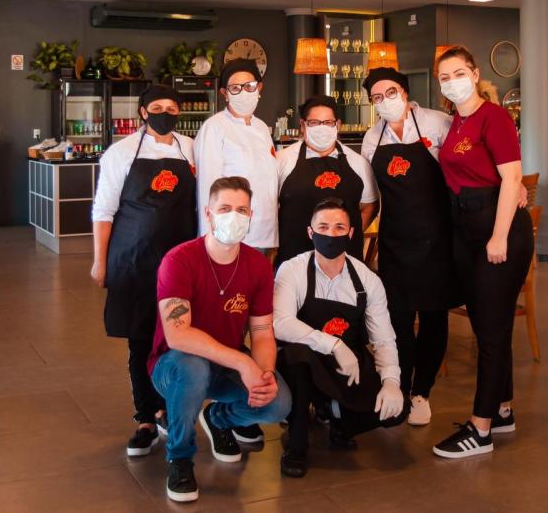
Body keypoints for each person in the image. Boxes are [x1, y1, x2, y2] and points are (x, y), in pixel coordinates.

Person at [149, 176, 291, 503]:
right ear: (208, 213)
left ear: (252, 215)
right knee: (194, 369)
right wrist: (243, 362)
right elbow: (177, 333)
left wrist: (264, 373)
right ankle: (180, 458)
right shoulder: (180, 260)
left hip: (224, 364)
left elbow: (261, 331)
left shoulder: (257, 265)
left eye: (242, 209)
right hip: (173, 366)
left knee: (278, 402)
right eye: (225, 208)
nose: (234, 216)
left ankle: (217, 418)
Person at [432, 46, 534, 459]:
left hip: (498, 230)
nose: (452, 81)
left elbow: (512, 178)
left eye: (458, 72)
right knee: (487, 327)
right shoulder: (456, 122)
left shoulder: (494, 116)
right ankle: (503, 409)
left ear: (474, 74)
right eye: (444, 77)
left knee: (491, 334)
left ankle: (481, 428)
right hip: (468, 230)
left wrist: (499, 236)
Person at [91, 84, 196, 458]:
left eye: (171, 107)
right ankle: (145, 418)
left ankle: (170, 408)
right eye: (157, 106)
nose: (165, 112)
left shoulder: (191, 148)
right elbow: (104, 211)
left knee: (176, 336)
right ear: (142, 113)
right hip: (133, 259)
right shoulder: (120, 152)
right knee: (139, 339)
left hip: (180, 260)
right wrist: (100, 261)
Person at [273, 198, 408, 478]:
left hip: (348, 368)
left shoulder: (368, 280)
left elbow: (383, 339)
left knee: (396, 409)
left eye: (339, 228)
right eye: (323, 227)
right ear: (310, 233)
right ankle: (297, 444)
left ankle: (333, 414)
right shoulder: (293, 269)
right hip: (304, 365)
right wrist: (333, 344)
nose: (331, 234)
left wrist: (392, 382)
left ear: (350, 233)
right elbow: (280, 323)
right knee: (297, 356)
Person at [360, 67, 457, 426]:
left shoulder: (436, 123)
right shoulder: (373, 138)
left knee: (433, 315)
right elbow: (370, 195)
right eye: (376, 98)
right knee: (398, 318)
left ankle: (422, 392)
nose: (385, 101)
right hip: (396, 240)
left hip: (436, 238)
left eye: (391, 92)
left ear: (404, 91)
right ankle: (398, 386)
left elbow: (460, 173)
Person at [276, 94, 378, 266]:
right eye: (314, 123)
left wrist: (344, 236)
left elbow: (369, 205)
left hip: (345, 259)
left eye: (328, 122)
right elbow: (271, 209)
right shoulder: (282, 160)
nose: (321, 128)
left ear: (337, 125)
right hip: (294, 258)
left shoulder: (358, 162)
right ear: (303, 125)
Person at [194, 58, 279, 254]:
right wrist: (209, 235)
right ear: (224, 93)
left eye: (249, 86)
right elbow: (207, 186)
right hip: (229, 233)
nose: (243, 93)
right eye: (235, 88)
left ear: (259, 88)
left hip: (265, 229)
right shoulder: (215, 127)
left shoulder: (261, 128)